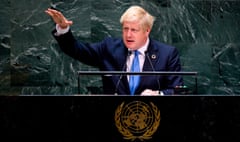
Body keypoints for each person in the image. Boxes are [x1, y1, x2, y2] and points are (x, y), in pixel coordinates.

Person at [45, 5, 183, 96]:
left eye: (134, 30)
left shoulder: (167, 54)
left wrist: (159, 94)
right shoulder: (109, 48)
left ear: (147, 31)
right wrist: (63, 29)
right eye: (125, 29)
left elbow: (179, 91)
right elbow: (76, 49)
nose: (128, 35)